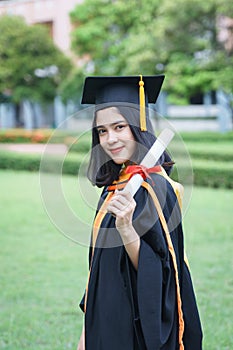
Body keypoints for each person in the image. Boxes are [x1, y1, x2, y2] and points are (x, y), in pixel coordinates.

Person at [77, 75, 203, 350]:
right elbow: (99, 264)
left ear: (138, 125)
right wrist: (87, 330)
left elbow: (159, 272)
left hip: (134, 328)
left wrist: (126, 229)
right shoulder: (115, 186)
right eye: (102, 131)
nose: (110, 139)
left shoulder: (156, 188)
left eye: (119, 127)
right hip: (105, 321)